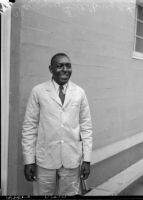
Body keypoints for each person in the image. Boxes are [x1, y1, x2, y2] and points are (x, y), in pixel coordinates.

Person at [21, 53, 93, 196]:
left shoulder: (79, 93)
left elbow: (86, 127)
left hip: (72, 159)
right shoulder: (38, 91)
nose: (65, 69)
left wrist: (87, 159)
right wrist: (29, 160)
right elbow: (30, 127)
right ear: (51, 69)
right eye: (59, 66)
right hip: (45, 159)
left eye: (68, 65)